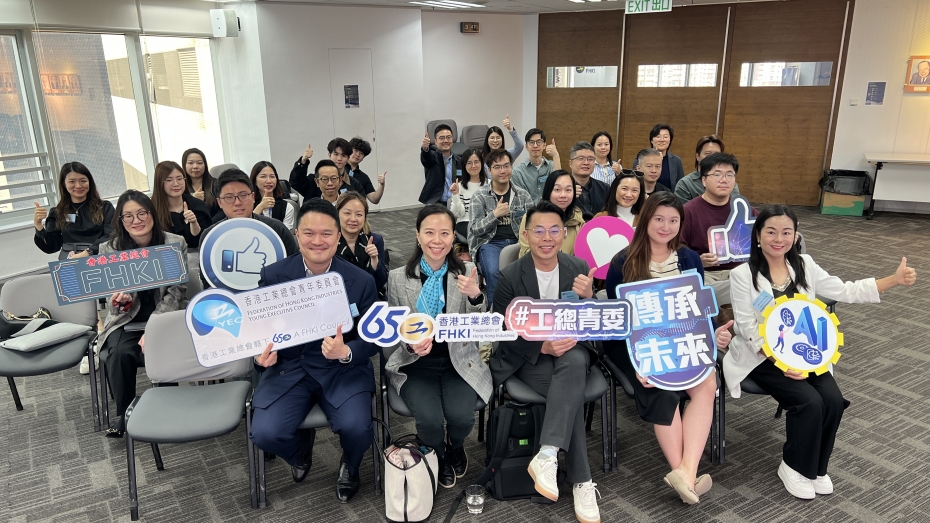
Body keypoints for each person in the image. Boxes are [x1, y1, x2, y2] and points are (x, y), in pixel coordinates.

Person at [723, 205, 917, 499]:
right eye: (771, 232)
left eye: (786, 232)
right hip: (762, 356)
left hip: (806, 352)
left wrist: (894, 279)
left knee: (833, 401)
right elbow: (748, 327)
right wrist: (780, 361)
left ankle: (815, 467)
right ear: (758, 236)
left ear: (795, 235)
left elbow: (846, 290)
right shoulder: (742, 274)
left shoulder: (804, 264)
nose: (779, 239)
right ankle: (793, 465)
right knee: (809, 402)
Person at [248, 198, 380, 503]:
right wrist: (258, 356)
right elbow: (258, 328)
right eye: (309, 233)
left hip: (341, 370)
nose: (317, 241)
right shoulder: (273, 275)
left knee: (357, 428)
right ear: (297, 234)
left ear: (338, 236)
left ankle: (351, 466)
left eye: (326, 234)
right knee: (265, 433)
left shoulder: (361, 281)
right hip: (289, 368)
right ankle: (300, 452)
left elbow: (372, 338)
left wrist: (346, 351)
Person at [604, 192, 733, 504]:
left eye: (673, 220)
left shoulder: (689, 259)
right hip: (637, 346)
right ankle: (685, 475)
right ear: (645, 219)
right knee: (663, 391)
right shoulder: (623, 262)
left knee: (707, 383)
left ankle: (685, 473)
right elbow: (619, 321)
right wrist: (639, 362)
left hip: (683, 340)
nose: (666, 226)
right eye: (659, 219)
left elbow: (698, 308)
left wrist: (714, 335)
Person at [490, 201, 601, 523]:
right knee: (570, 394)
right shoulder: (510, 275)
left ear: (564, 233)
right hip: (529, 356)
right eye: (538, 231)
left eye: (554, 230)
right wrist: (543, 346)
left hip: (572, 350)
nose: (547, 238)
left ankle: (549, 453)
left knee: (575, 362)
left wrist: (590, 298)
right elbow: (502, 330)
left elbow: (595, 323)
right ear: (526, 235)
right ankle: (582, 481)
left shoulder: (578, 267)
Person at [383, 205, 490, 488]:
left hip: (459, 359)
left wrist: (476, 297)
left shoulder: (467, 271)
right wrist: (410, 344)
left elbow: (479, 325)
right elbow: (395, 327)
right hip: (415, 364)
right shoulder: (398, 277)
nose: (437, 240)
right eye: (429, 232)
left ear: (453, 236)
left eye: (444, 233)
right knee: (429, 422)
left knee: (462, 418)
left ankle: (456, 445)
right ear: (417, 235)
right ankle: (439, 454)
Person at [99, 190, 188, 438]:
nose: (136, 221)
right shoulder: (110, 249)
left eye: (141, 213)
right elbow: (111, 303)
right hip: (127, 320)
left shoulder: (174, 243)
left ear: (152, 214)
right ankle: (126, 414)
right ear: (121, 220)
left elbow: (176, 292)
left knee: (162, 348)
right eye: (128, 216)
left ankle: (168, 408)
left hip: (164, 316)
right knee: (119, 353)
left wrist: (154, 327)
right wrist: (121, 301)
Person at [680, 152, 756, 305]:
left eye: (730, 175)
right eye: (717, 174)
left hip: (741, 271)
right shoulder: (687, 211)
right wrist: (698, 259)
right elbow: (678, 248)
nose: (724, 180)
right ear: (704, 180)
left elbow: (765, 232)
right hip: (707, 274)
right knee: (745, 290)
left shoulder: (743, 209)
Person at [467, 149, 533, 306]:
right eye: (497, 167)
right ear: (489, 171)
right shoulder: (480, 196)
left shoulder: (523, 195)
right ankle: (497, 312)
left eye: (506, 166)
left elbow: (533, 224)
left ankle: (524, 310)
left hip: (519, 242)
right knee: (493, 272)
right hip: (491, 243)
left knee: (529, 271)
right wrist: (494, 215)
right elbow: (475, 229)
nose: (503, 171)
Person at [199, 169, 299, 259]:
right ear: (219, 202)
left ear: (253, 197)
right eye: (229, 197)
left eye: (243, 195)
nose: (237, 202)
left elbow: (295, 265)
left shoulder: (277, 229)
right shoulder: (210, 237)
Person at [34, 162, 115, 260]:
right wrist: (38, 225)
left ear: (89, 182)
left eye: (83, 181)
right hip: (69, 258)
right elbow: (51, 247)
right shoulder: (57, 213)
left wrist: (87, 252)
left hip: (98, 256)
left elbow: (111, 235)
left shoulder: (104, 207)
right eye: (72, 181)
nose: (78, 186)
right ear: (64, 184)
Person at [517, 170, 583, 257]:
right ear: (549, 191)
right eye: (557, 190)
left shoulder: (577, 218)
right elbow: (526, 254)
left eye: (568, 190)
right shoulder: (532, 218)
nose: (563, 195)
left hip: (571, 265)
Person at [150, 160, 213, 250]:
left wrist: (194, 223)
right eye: (169, 180)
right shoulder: (151, 209)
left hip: (196, 253)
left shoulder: (197, 206)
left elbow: (203, 241)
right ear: (159, 182)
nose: (176, 184)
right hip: (164, 254)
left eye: (179, 179)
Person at [334, 191, 388, 296]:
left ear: (364, 217)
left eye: (359, 214)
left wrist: (374, 260)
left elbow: (381, 282)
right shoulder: (329, 242)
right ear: (338, 214)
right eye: (347, 213)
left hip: (370, 296)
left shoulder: (375, 240)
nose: (353, 219)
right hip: (340, 298)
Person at [674, 135, 741, 202]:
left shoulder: (729, 183)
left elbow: (735, 205)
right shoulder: (685, 184)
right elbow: (683, 208)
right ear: (697, 156)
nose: (712, 158)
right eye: (708, 154)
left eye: (717, 154)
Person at [448, 149, 487, 249]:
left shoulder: (490, 184)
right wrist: (456, 195)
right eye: (469, 163)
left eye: (476, 162)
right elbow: (458, 214)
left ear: (482, 163)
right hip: (465, 222)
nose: (473, 166)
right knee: (480, 237)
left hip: (486, 221)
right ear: (464, 166)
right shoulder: (459, 186)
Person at [512, 128, 561, 203]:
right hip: (528, 210)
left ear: (544, 145)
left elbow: (559, 186)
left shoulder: (552, 166)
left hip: (550, 209)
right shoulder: (517, 172)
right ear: (526, 146)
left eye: (539, 142)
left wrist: (556, 156)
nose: (535, 146)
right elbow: (519, 200)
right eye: (531, 142)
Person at [419, 124, 461, 205]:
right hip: (436, 202)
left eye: (448, 137)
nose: (446, 141)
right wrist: (425, 148)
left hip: (455, 200)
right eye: (442, 138)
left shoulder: (459, 160)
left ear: (452, 139)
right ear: (435, 141)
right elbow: (426, 158)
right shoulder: (432, 157)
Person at [568, 142, 609, 221]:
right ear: (571, 163)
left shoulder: (604, 188)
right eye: (581, 158)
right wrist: (568, 195)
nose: (586, 163)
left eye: (590, 159)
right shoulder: (562, 190)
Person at [250, 161, 296, 231]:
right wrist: (261, 207)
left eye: (272, 176)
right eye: (263, 176)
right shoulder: (247, 205)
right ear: (255, 181)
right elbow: (246, 228)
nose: (269, 181)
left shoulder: (287, 207)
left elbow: (285, 234)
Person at [182, 148, 220, 218]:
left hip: (215, 223)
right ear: (184, 165)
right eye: (190, 163)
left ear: (205, 165)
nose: (195, 166)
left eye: (199, 163)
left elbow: (223, 210)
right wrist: (194, 201)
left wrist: (209, 223)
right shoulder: (180, 187)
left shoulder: (216, 184)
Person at [348, 136, 386, 204]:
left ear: (363, 158)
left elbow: (374, 199)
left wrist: (382, 185)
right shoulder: (338, 170)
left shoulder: (363, 177)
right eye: (356, 150)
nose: (358, 155)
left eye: (361, 153)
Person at [649, 124, 685, 190]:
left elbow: (681, 186)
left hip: (670, 196)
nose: (662, 140)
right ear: (651, 140)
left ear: (670, 140)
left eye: (665, 137)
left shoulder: (677, 161)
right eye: (658, 136)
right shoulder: (641, 158)